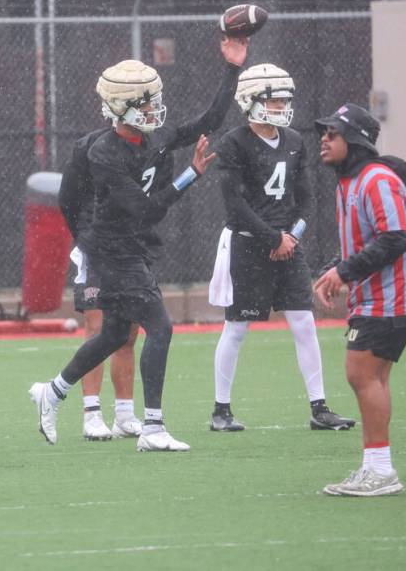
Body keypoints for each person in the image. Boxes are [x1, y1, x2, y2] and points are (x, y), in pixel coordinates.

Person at [29, 36, 248, 451]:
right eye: (144, 104)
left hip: (132, 248)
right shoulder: (103, 154)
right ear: (120, 108)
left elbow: (210, 120)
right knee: (160, 328)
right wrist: (191, 175)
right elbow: (144, 210)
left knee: (114, 335)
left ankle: (52, 392)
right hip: (114, 250)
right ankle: (152, 428)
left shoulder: (152, 139)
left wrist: (232, 68)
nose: (152, 110)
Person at [206, 64, 355, 432]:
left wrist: (292, 236)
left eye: (284, 99)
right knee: (237, 328)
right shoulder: (233, 143)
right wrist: (273, 238)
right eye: (273, 99)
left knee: (304, 324)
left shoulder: (294, 140)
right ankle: (220, 411)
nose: (280, 106)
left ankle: (319, 407)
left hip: (288, 245)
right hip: (248, 245)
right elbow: (235, 205)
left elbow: (306, 201)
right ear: (251, 100)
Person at [313, 104, 406, 497]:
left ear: (356, 141)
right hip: (377, 297)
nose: (324, 139)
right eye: (324, 132)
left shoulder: (376, 178)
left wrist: (344, 272)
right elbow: (363, 241)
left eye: (333, 133)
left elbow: (394, 237)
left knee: (360, 374)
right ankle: (374, 466)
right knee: (371, 377)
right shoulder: (349, 182)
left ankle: (381, 469)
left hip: (392, 297)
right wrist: (337, 268)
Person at [58, 129, 141, 441]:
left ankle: (124, 414)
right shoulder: (89, 145)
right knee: (97, 328)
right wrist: (86, 235)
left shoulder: (145, 144)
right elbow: (67, 198)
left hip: (130, 245)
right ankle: (91, 413)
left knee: (128, 333)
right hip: (97, 247)